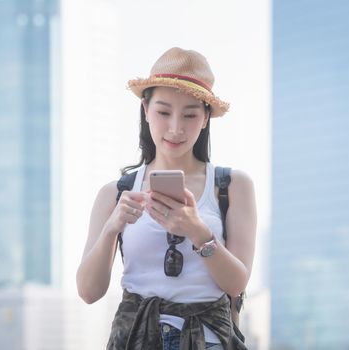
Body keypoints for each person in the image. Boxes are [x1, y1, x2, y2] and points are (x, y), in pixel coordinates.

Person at [76, 47, 257, 350]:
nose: (175, 128)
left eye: (190, 114)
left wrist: (198, 232)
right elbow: (88, 292)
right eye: (163, 112)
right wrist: (112, 228)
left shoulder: (232, 186)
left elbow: (237, 284)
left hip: (208, 339)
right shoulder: (116, 192)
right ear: (145, 110)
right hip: (135, 338)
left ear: (205, 118)